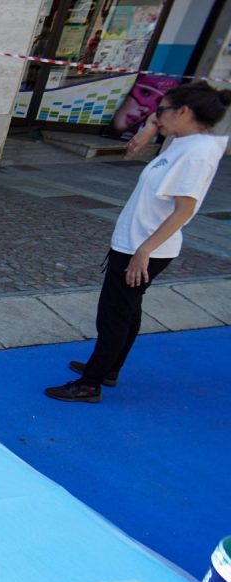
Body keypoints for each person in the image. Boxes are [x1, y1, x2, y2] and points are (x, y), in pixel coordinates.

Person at [45, 82, 230, 403]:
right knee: (128, 310)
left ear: (184, 112)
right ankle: (108, 368)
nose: (156, 117)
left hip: (144, 248)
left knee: (114, 316)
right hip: (137, 242)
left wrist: (144, 251)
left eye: (161, 111)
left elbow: (185, 209)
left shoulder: (197, 154)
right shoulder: (184, 140)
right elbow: (161, 127)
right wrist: (147, 130)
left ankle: (91, 384)